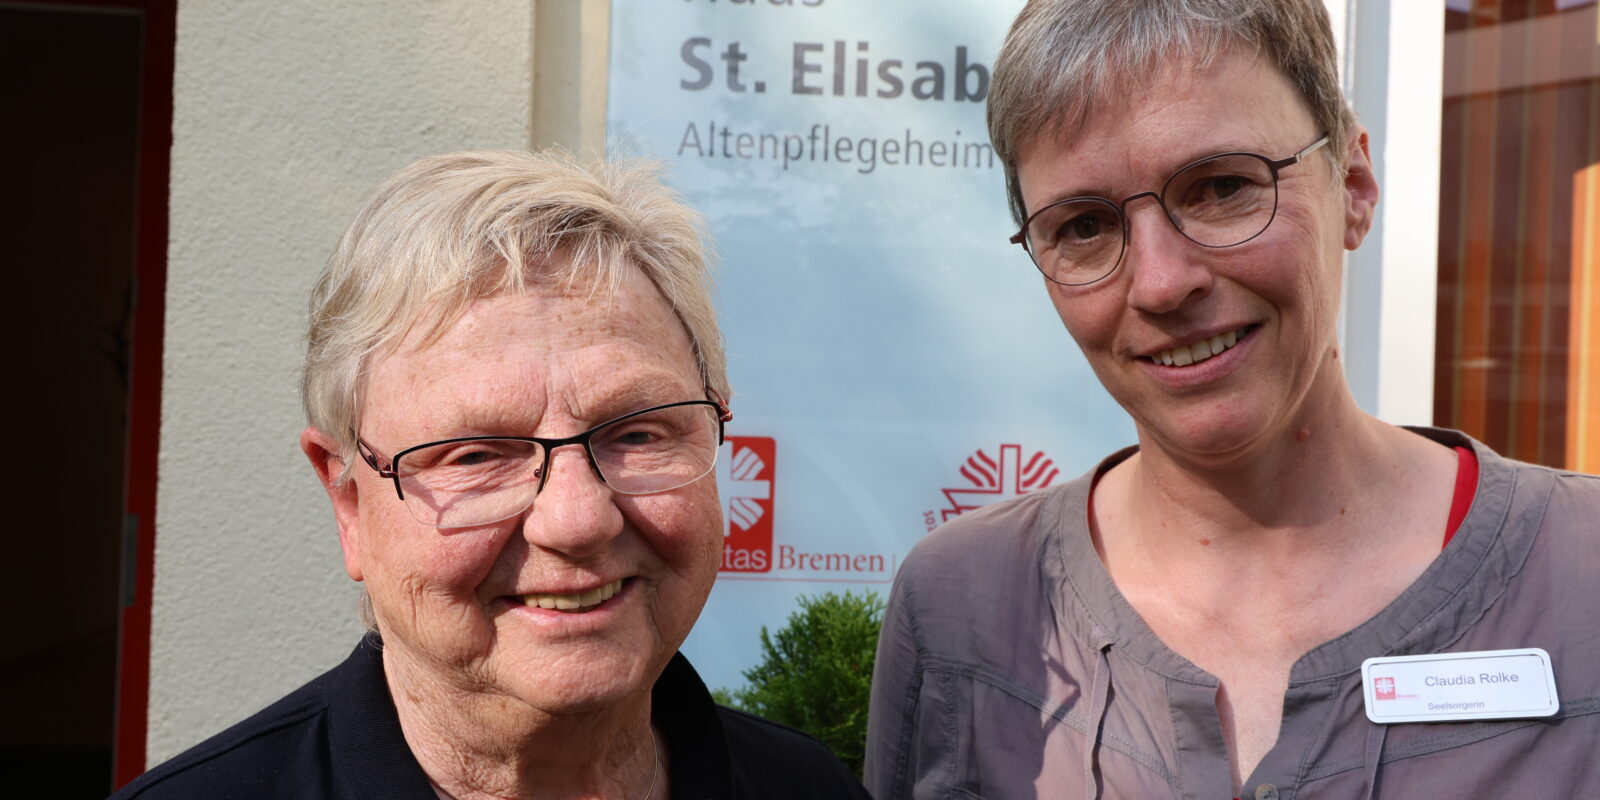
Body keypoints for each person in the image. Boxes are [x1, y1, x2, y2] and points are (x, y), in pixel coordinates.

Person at [865, 2, 1600, 798]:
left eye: (1220, 187)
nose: (1160, 282)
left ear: (1352, 183)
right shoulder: (961, 606)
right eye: (1082, 226)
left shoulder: (1580, 578)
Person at [112, 150, 870, 799]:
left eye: (636, 433)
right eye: (475, 455)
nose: (577, 520)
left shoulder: (807, 786)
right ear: (347, 501)